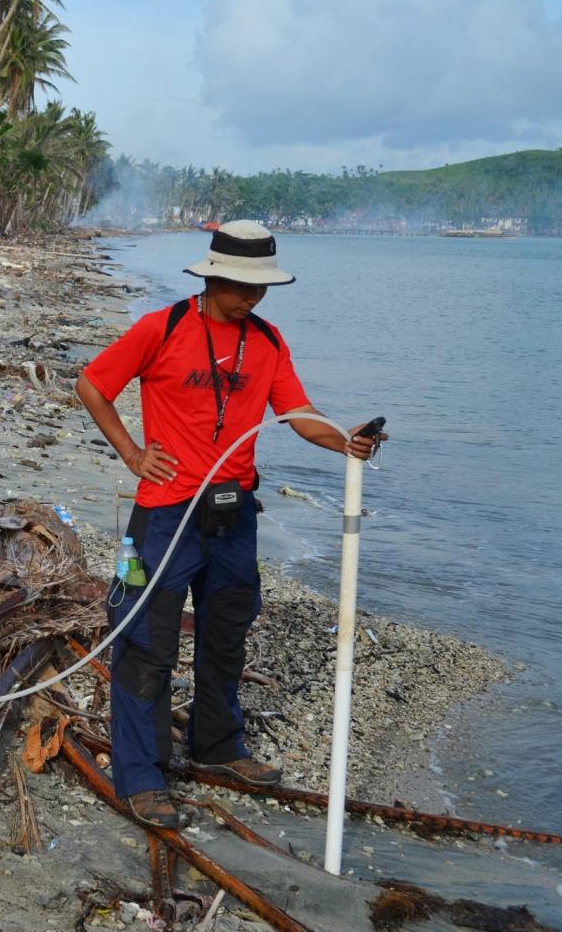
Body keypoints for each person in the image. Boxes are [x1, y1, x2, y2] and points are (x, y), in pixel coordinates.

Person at [75, 220, 386, 827]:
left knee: (226, 635)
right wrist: (134, 454)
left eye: (261, 287)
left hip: (233, 514)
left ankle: (216, 747)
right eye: (242, 286)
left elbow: (296, 413)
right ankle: (140, 775)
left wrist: (344, 441)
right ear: (213, 274)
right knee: (146, 643)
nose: (252, 297)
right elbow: (91, 384)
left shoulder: (267, 340)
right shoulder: (160, 328)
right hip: (166, 514)